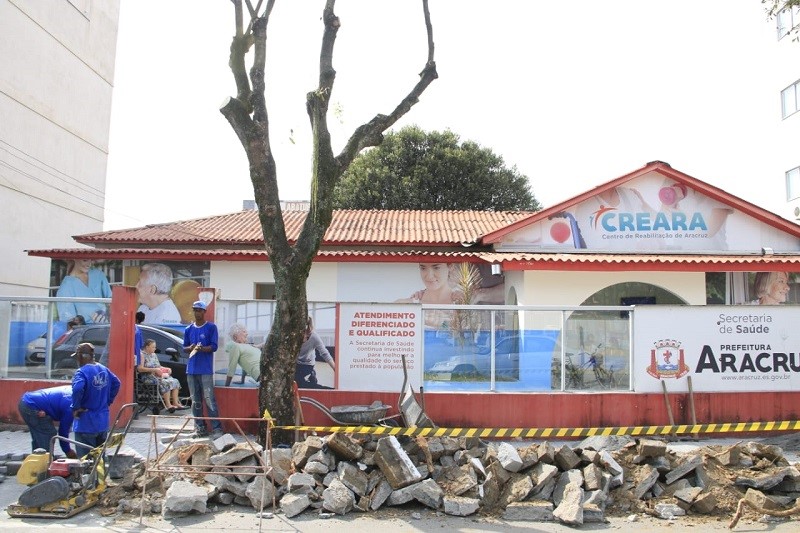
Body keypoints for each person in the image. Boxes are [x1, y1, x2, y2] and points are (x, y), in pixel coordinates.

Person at [70, 342, 121, 457]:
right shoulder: (103, 369)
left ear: (82, 356)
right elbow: (117, 383)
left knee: (86, 461)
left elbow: (77, 389)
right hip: (102, 422)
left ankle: (89, 475)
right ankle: (100, 475)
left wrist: (76, 407)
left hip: (86, 423)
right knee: (99, 459)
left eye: (77, 357)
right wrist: (108, 401)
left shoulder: (82, 372)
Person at [183, 300, 223, 438]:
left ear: (204, 312)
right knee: (195, 400)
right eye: (195, 310)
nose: (197, 312)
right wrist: (191, 348)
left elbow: (214, 346)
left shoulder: (211, 327)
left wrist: (201, 348)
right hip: (191, 370)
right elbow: (185, 347)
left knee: (209, 399)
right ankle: (199, 427)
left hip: (205, 369)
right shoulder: (188, 329)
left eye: (199, 310)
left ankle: (217, 428)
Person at [18, 385, 77, 458]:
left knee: (39, 437)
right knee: (48, 434)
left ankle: (37, 460)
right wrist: (67, 451)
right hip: (31, 406)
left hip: (28, 401)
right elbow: (63, 431)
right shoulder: (71, 406)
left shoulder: (74, 391)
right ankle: (45, 462)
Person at [137, 339, 184, 412]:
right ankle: (168, 405)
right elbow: (140, 369)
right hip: (148, 376)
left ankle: (175, 402)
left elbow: (158, 366)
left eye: (155, 347)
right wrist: (154, 370)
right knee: (166, 383)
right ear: (147, 347)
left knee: (175, 381)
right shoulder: (142, 355)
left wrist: (166, 369)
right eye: (153, 347)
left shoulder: (154, 355)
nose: (155, 349)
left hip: (158, 375)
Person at [296, 317, 335, 389]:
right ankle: (310, 375)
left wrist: (335, 369)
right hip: (296, 363)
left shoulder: (314, 336)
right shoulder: (293, 335)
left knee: (299, 383)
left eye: (306, 336)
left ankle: (328, 390)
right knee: (293, 382)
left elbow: (325, 353)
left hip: (307, 364)